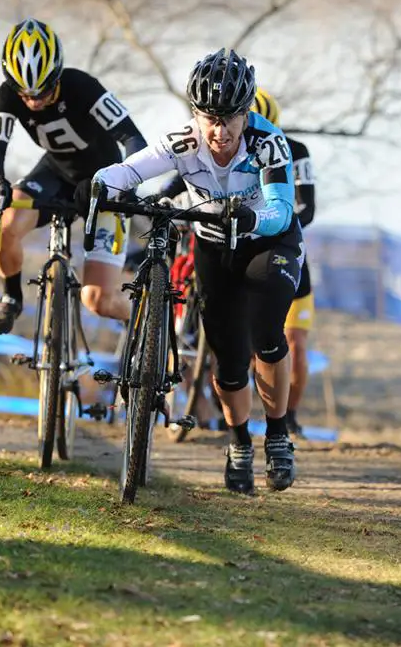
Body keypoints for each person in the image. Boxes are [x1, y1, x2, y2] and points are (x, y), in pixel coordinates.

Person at [91, 47, 303, 495]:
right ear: (196, 114)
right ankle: (240, 441)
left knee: (266, 334)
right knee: (227, 363)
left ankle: (279, 434)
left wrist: (253, 218)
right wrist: (96, 186)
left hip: (269, 240)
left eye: (230, 118)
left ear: (247, 114)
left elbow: (283, 209)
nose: (220, 130)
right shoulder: (183, 141)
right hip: (213, 244)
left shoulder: (269, 142)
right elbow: (129, 171)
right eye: (210, 118)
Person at [0, 17, 148, 335]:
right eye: (23, 92)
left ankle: (144, 321)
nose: (33, 100)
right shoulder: (7, 95)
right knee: (6, 220)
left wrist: (125, 180)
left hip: (103, 183)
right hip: (55, 172)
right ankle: (11, 296)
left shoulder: (82, 87)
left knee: (97, 300)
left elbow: (133, 139)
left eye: (42, 91)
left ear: (57, 74)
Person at [249, 87, 317, 437]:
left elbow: (308, 207)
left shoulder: (296, 151)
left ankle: (288, 416)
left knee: (294, 342)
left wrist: (276, 227)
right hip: (245, 250)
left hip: (287, 252)